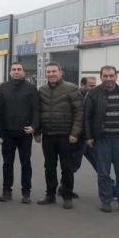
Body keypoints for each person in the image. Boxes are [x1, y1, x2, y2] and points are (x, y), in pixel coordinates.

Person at [84, 66, 119, 215]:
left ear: (116, 76)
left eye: (111, 76)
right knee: (103, 173)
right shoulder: (93, 94)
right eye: (105, 76)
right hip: (102, 140)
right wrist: (89, 137)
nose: (108, 79)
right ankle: (106, 201)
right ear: (101, 77)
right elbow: (86, 118)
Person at [36, 62, 83, 209]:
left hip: (66, 135)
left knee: (66, 167)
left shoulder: (71, 88)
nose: (51, 74)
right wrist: (37, 132)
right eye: (49, 72)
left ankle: (67, 196)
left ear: (60, 72)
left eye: (54, 71)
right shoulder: (42, 90)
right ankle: (50, 195)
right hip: (48, 135)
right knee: (49, 167)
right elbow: (37, 112)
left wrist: (75, 133)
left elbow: (79, 112)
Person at [0, 62, 40, 204]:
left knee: (25, 163)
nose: (16, 71)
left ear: (23, 72)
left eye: (19, 69)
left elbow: (36, 110)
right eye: (14, 69)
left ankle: (26, 192)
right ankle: (6, 191)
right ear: (10, 72)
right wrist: (0, 133)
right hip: (8, 132)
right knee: (7, 163)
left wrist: (33, 127)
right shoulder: (3, 87)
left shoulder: (31, 88)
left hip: (24, 132)